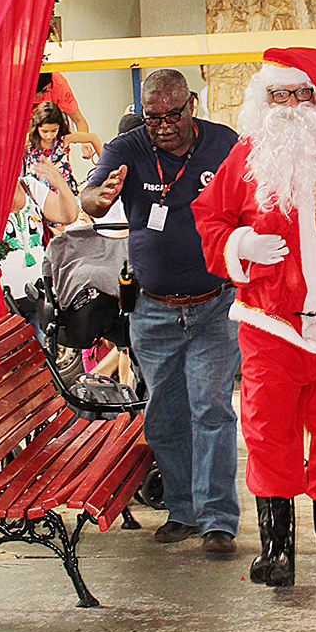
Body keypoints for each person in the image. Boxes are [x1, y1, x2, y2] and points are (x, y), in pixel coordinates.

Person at [192, 48, 316, 588]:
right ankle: (277, 545)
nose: (292, 105)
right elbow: (209, 217)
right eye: (280, 94)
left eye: (302, 94)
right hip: (270, 321)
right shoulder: (247, 157)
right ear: (264, 99)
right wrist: (238, 241)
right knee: (269, 428)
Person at [81, 68, 240, 557]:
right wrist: (97, 198)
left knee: (210, 405)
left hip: (215, 306)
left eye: (174, 114)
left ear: (192, 104)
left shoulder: (225, 144)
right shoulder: (127, 148)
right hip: (153, 311)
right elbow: (89, 194)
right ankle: (183, 510)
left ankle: (217, 519)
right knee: (164, 415)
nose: (165, 125)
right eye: (154, 117)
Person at [0, 160, 78, 333]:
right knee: (0, 358)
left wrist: (60, 184)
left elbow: (68, 215)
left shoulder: (29, 186)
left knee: (35, 357)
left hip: (33, 297)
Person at [24, 100, 102, 196]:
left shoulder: (64, 139)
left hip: (62, 192)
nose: (49, 136)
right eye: (44, 131)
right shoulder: (30, 140)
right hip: (37, 192)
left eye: (53, 130)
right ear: (36, 128)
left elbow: (93, 138)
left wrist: (103, 165)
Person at [34, 70, 95, 158]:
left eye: (44, 91)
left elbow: (78, 119)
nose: (39, 95)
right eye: (35, 92)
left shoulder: (59, 84)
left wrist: (84, 142)